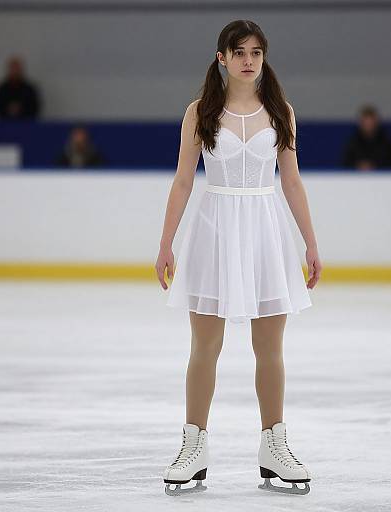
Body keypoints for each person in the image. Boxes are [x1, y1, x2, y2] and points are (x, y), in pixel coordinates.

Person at [155, 20, 321, 496]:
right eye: (238, 51)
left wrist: (310, 241)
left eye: (256, 51)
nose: (249, 59)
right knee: (204, 346)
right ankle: (193, 446)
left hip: (266, 233)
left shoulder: (280, 112)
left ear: (264, 58)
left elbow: (290, 181)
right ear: (222, 58)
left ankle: (275, 446)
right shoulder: (200, 112)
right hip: (213, 231)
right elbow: (184, 181)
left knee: (270, 348)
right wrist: (166, 242)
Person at [341, 104, 391, 170]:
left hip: (382, 178)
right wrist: (358, 166)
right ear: (361, 123)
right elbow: (345, 164)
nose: (368, 126)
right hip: (357, 178)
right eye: (366, 122)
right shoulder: (352, 143)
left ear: (376, 122)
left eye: (371, 122)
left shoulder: (386, 143)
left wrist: (375, 166)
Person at [0, 56, 41, 120]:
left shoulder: (29, 89)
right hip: (5, 125)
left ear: (21, 70)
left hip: (26, 124)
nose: (15, 71)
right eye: (13, 68)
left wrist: (21, 110)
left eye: (17, 69)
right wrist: (8, 110)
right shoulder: (2, 89)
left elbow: (35, 108)